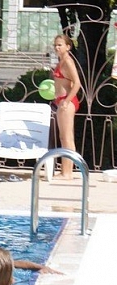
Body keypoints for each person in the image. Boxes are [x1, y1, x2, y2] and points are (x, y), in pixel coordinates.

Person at [51, 34, 81, 180]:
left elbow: (77, 83)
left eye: (60, 45)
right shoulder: (61, 61)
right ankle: (66, 170)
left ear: (68, 47)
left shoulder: (68, 61)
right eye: (55, 45)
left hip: (66, 102)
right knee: (64, 137)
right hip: (61, 100)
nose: (57, 47)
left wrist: (67, 101)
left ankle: (67, 172)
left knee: (67, 137)